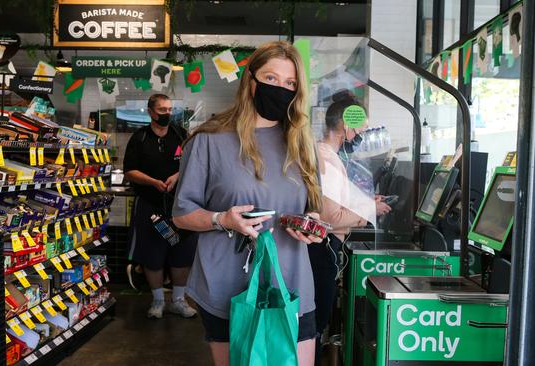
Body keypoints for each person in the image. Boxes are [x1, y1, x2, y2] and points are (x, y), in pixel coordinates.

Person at [172, 41, 323, 366]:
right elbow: (182, 214)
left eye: (290, 83)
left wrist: (311, 223)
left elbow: (313, 207)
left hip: (291, 285)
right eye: (272, 78)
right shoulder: (209, 140)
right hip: (227, 289)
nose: (281, 89)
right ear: (250, 81)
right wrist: (222, 219)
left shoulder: (301, 143)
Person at [310, 93, 391, 365]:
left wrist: (366, 202)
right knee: (317, 321)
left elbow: (335, 201)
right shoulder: (329, 161)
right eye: (362, 129)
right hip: (323, 248)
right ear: (347, 127)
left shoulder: (325, 153)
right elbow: (331, 217)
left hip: (322, 249)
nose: (361, 136)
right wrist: (369, 211)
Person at [123, 93, 198, 319]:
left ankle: (178, 300)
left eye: (169, 109)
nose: (167, 114)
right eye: (162, 110)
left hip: (180, 207)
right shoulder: (139, 138)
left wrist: (176, 176)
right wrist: (153, 182)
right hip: (150, 207)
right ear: (150, 112)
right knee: (152, 255)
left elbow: (192, 162)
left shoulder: (180, 135)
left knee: (181, 253)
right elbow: (129, 172)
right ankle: (157, 301)